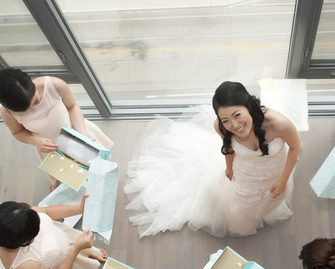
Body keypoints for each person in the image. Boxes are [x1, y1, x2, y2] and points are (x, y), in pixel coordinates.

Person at [125, 81, 301, 237]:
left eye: (237, 114)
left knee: (272, 196)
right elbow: (229, 148)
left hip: (276, 170)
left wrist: (283, 180)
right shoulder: (220, 126)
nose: (234, 125)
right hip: (245, 173)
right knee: (245, 204)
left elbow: (295, 148)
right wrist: (229, 168)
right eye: (226, 120)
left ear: (248, 106)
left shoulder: (279, 123)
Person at [0, 68, 113, 176]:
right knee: (70, 176)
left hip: (76, 131)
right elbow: (17, 133)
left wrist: (83, 134)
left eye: (35, 102)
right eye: (24, 111)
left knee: (99, 165)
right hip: (50, 147)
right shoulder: (7, 113)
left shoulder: (55, 85)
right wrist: (35, 141)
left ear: (31, 82)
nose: (33, 109)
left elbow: (72, 106)